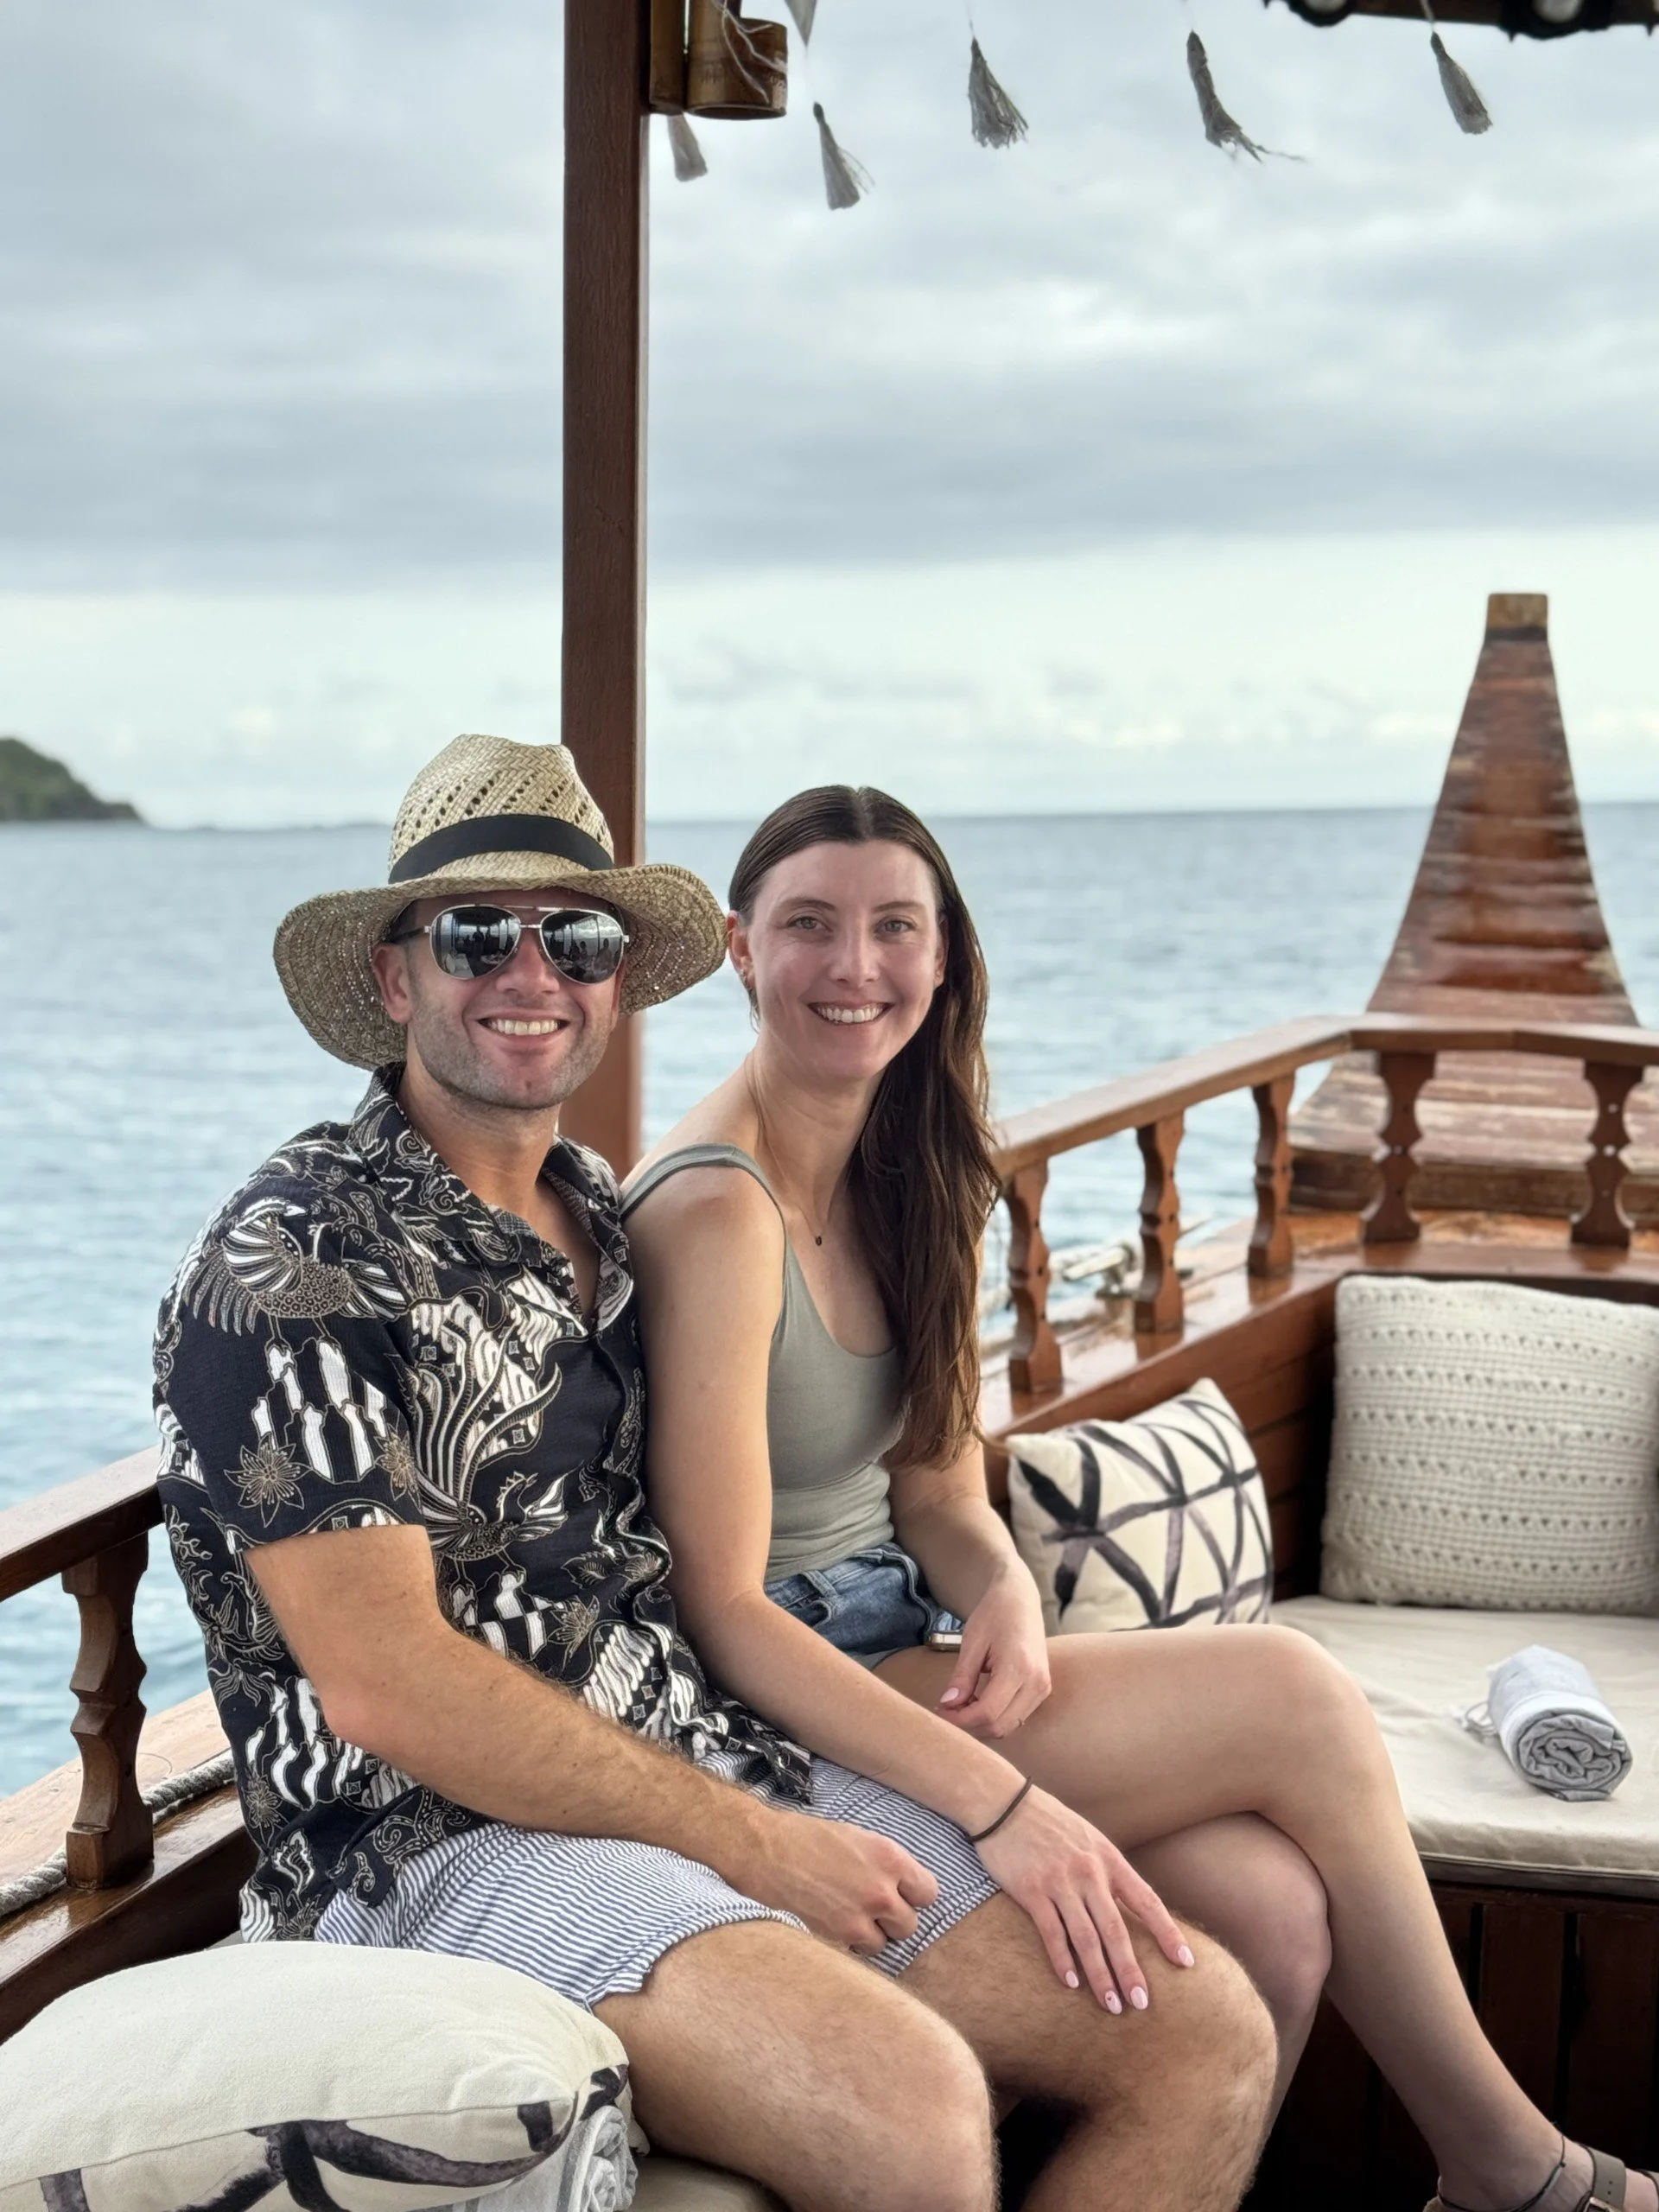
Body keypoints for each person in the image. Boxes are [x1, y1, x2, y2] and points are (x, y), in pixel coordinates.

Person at [154, 734, 1282, 2212]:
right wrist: (758, 1842)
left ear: (620, 977)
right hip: (435, 1846)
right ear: (392, 978)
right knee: (913, 2106)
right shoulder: (292, 1259)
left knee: (1202, 2033)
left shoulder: (597, 1226)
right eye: (477, 934)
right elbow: (387, 1688)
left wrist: (778, 1799)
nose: (531, 973)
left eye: (579, 936)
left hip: (696, 1746)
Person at [621, 782, 1659, 2212]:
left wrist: (995, 1585)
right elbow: (719, 1611)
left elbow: (935, 1483)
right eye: (810, 926)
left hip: (909, 1640)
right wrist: (1001, 1808)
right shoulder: (713, 1209)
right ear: (741, 951)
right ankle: (1514, 2172)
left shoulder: (912, 1163)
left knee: (1271, 1913)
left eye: (892, 928)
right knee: (1293, 1694)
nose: (854, 967)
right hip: (775, 1699)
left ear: (944, 955)